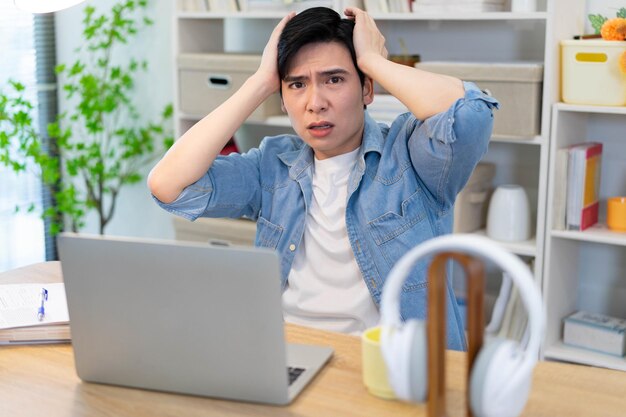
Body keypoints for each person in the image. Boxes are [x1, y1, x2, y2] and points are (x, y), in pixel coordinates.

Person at [148, 7, 498, 350]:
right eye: (297, 84)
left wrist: (373, 61)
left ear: (366, 89)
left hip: (388, 364)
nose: (315, 103)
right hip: (289, 353)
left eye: (334, 79)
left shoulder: (411, 156)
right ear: (282, 98)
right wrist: (259, 83)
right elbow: (169, 187)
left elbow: (471, 114)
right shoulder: (272, 166)